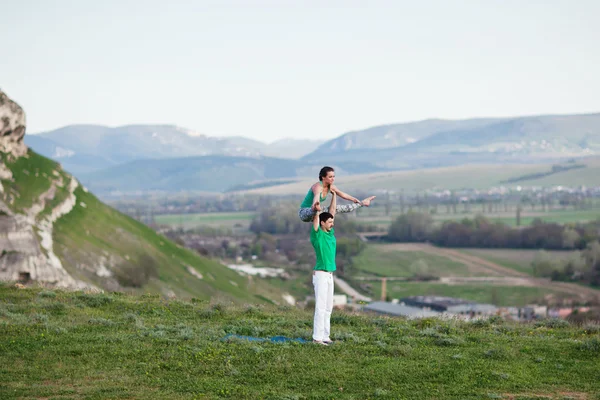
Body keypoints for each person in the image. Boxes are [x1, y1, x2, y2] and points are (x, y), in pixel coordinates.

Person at [298, 166, 375, 223]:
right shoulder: (317, 186)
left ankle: (363, 203)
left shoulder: (331, 187)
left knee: (337, 208)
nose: (333, 179)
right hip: (305, 212)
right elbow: (316, 196)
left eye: (334, 176)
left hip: (317, 213)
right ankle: (315, 209)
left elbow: (342, 194)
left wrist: (354, 199)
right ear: (323, 177)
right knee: (315, 210)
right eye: (330, 177)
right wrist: (315, 205)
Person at [310, 191, 338, 345]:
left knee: (328, 308)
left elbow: (332, 212)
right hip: (320, 274)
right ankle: (317, 338)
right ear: (322, 223)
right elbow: (316, 219)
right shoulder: (317, 235)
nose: (332, 224)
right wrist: (317, 210)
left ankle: (326, 336)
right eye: (329, 222)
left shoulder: (330, 233)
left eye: (332, 222)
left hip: (329, 275)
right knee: (320, 308)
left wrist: (334, 195)